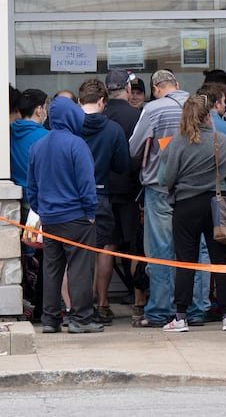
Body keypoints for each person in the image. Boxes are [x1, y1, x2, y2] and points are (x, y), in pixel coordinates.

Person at [157, 93, 226, 332]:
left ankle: (181, 316)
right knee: (220, 260)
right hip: (216, 205)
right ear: (208, 116)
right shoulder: (221, 140)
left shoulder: (176, 143)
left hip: (185, 206)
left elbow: (163, 179)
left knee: (185, 261)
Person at [128, 69, 205, 327]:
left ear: (155, 89)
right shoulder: (199, 106)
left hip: (160, 189)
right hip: (196, 190)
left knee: (161, 251)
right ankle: (195, 309)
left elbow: (134, 147)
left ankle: (160, 311)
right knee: (194, 250)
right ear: (177, 84)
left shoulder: (153, 109)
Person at [26, 95, 102, 334]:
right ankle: (81, 318)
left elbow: (32, 187)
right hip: (77, 218)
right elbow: (86, 183)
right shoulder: (76, 144)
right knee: (79, 269)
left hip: (50, 219)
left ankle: (50, 319)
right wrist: (90, 211)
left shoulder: (38, 146)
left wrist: (41, 209)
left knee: (51, 269)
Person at [75, 78, 130, 325]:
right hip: (101, 193)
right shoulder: (113, 130)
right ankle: (103, 303)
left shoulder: (70, 127)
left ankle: (78, 306)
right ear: (102, 101)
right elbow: (121, 165)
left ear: (79, 101)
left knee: (76, 251)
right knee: (105, 248)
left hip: (73, 196)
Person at [100, 69, 145, 324]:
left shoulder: (100, 115)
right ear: (127, 89)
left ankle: (102, 304)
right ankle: (139, 304)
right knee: (135, 248)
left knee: (106, 247)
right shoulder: (137, 115)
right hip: (131, 191)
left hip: (103, 190)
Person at [9, 88, 48, 188]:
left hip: (18, 191)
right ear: (39, 110)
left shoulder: (9, 133)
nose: (46, 112)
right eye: (45, 108)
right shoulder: (46, 137)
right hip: (38, 193)